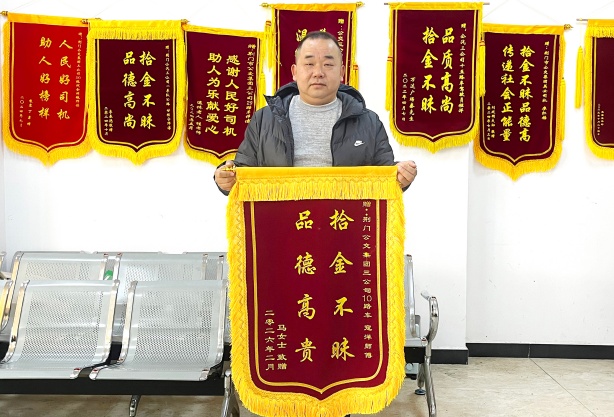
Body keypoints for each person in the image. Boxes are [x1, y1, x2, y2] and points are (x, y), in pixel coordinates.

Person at [214, 30, 417, 192]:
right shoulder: (264, 119)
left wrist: (400, 175)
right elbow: (243, 172)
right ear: (295, 72)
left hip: (343, 223)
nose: (318, 73)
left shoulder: (368, 122)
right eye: (309, 64)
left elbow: (385, 175)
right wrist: (225, 177)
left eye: (328, 64)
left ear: (341, 72)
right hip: (280, 223)